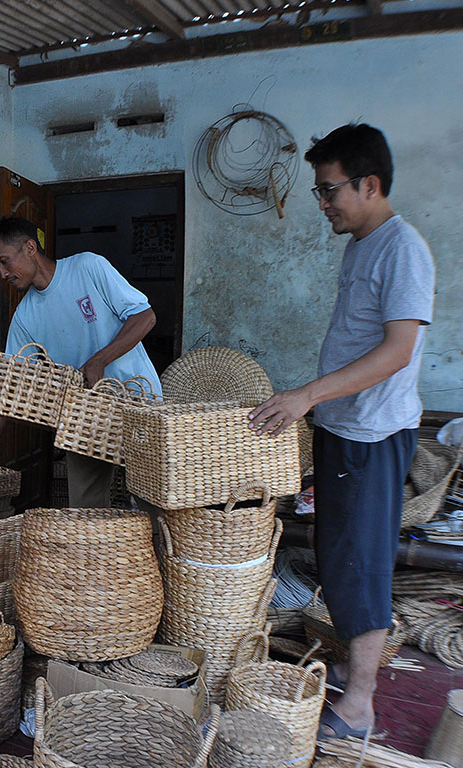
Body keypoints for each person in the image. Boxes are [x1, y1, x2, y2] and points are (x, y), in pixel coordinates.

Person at [249, 124, 435, 739]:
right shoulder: (362, 246)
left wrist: (306, 395)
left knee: (361, 563)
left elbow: (396, 353)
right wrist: (315, 402)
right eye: (319, 192)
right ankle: (349, 671)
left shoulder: (402, 248)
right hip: (342, 426)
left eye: (329, 191)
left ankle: (358, 705)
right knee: (337, 555)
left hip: (372, 435)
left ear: (370, 184)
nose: (323, 204)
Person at [0, 216, 161, 508]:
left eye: (5, 261)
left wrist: (100, 359)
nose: (3, 273)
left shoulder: (87, 267)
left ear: (30, 248)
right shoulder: (25, 317)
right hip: (85, 417)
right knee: (86, 511)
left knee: (154, 501)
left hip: (138, 403)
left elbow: (145, 317)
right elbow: (9, 392)